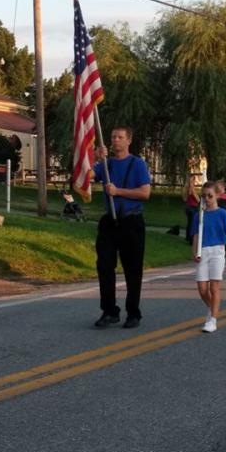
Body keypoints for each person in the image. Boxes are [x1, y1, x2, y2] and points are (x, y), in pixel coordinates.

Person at [92, 126, 152, 329]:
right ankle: (109, 311)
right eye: (113, 137)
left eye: (120, 137)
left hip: (131, 221)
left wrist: (118, 191)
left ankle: (133, 313)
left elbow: (145, 193)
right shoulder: (106, 165)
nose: (115, 140)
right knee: (105, 266)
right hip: (110, 222)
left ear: (129, 141)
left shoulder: (138, 164)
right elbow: (87, 175)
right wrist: (96, 157)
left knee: (132, 269)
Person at [191, 181, 226, 333]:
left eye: (210, 196)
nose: (207, 199)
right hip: (203, 251)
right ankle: (212, 308)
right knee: (202, 288)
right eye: (204, 196)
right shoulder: (199, 215)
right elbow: (196, 235)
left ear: (217, 195)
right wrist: (195, 251)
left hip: (217, 251)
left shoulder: (222, 213)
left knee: (213, 286)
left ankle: (213, 320)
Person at [182, 175, 199, 245]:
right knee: (193, 224)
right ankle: (191, 239)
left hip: (188, 207)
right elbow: (197, 199)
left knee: (189, 223)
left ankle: (188, 237)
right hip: (193, 208)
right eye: (194, 181)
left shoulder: (186, 189)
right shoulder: (192, 190)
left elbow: (185, 199)